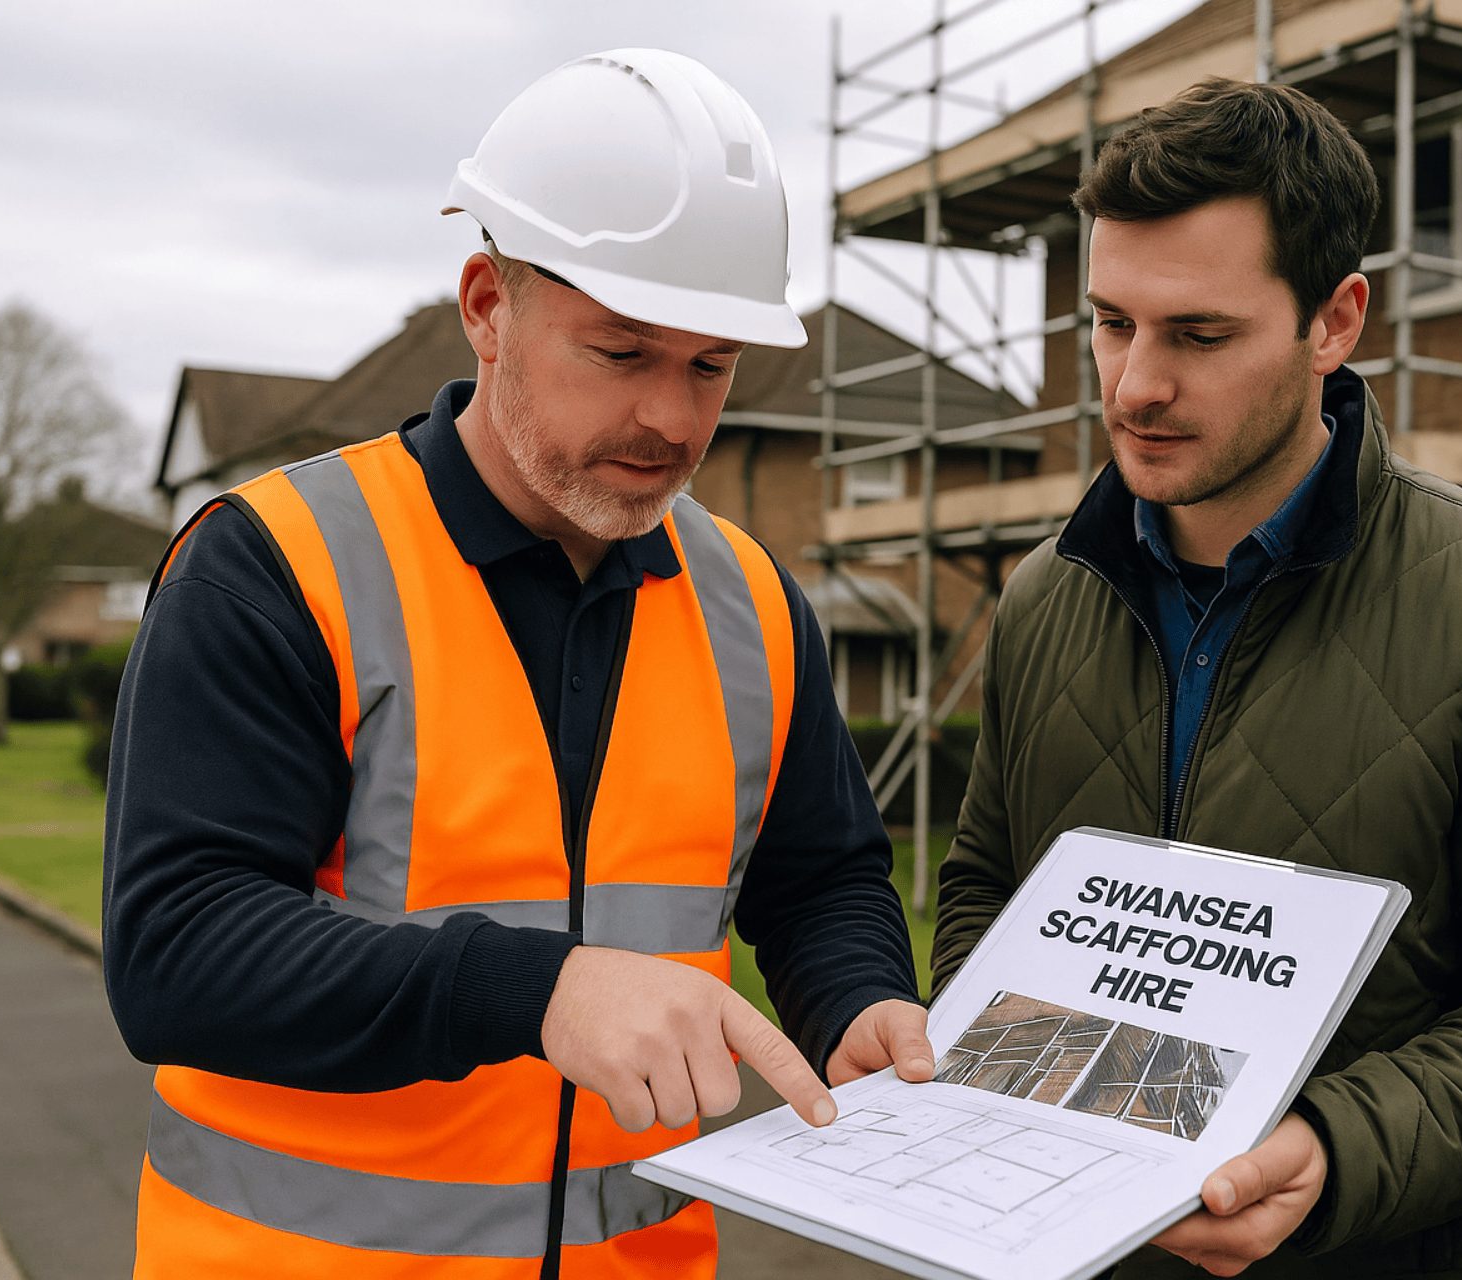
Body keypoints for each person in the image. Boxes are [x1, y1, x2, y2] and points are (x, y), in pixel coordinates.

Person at [104, 49, 931, 1280]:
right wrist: (533, 988)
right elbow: (179, 949)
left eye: (711, 366)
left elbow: (820, 882)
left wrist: (858, 1000)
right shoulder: (273, 565)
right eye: (622, 351)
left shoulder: (755, 600)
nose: (670, 418)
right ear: (488, 303)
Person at [933, 78, 1462, 1279]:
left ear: (1335, 321)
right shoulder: (1040, 598)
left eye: (1200, 334)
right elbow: (984, 885)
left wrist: (1334, 1146)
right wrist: (991, 1064)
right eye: (1111, 322)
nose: (1132, 387)